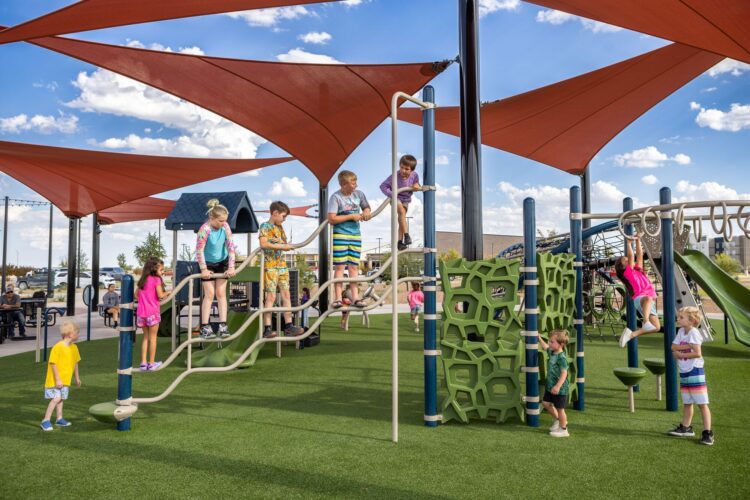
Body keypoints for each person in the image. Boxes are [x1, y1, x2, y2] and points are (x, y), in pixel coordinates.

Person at [258, 201, 304, 339]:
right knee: (270, 296)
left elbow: (284, 243)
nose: (284, 219)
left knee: (286, 295)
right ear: (275, 213)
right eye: (283, 216)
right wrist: (282, 246)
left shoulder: (280, 227)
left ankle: (289, 325)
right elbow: (263, 243)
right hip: (270, 266)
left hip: (282, 265)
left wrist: (285, 245)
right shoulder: (265, 226)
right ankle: (267, 328)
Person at [669, 306, 714, 445]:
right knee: (687, 402)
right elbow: (672, 347)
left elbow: (697, 353)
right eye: (679, 316)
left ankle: (708, 433)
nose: (678, 318)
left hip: (695, 370)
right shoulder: (681, 331)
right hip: (684, 371)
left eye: (681, 317)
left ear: (692, 320)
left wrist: (681, 354)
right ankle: (686, 427)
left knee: (702, 404)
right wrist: (687, 346)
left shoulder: (694, 332)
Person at [328, 170, 371, 309]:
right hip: (341, 234)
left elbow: (366, 207)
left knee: (354, 267)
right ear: (343, 184)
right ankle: (338, 298)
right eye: (353, 183)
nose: (356, 185)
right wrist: (351, 216)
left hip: (355, 234)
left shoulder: (359, 194)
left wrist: (366, 212)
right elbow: (332, 219)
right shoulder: (336, 197)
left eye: (355, 182)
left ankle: (356, 297)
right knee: (340, 266)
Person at [196, 199, 237, 340]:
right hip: (207, 263)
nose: (222, 223)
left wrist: (231, 266)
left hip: (222, 261)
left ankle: (223, 325)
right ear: (211, 218)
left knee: (220, 293)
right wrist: (203, 269)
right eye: (220, 221)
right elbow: (199, 250)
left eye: (224, 220)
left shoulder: (225, 227)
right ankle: (205, 327)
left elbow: (231, 247)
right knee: (210, 294)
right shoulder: (204, 229)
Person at [615, 233, 661, 347]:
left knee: (656, 327)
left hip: (648, 302)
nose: (628, 260)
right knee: (648, 299)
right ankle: (645, 322)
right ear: (623, 267)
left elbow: (639, 255)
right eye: (625, 261)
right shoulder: (627, 273)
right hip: (641, 298)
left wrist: (638, 239)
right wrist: (629, 243)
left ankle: (631, 334)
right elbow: (631, 257)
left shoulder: (638, 270)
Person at [40, 321, 81, 431]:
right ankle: (46, 420)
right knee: (57, 398)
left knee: (61, 398)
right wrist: (58, 379)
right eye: (77, 332)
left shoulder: (74, 348)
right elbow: (53, 363)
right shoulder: (58, 347)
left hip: (65, 380)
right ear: (70, 334)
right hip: (54, 380)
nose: (78, 334)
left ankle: (59, 418)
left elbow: (76, 363)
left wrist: (77, 378)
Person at [379, 154, 420, 250]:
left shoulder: (414, 175)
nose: (403, 171)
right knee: (401, 212)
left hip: (405, 200)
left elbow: (416, 184)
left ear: (412, 170)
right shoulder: (395, 176)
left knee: (402, 219)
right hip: (395, 198)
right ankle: (407, 235)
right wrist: (392, 194)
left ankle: (400, 242)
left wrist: (416, 185)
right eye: (401, 167)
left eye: (406, 169)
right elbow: (383, 186)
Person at [136, 257, 168, 371]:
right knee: (153, 338)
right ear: (154, 269)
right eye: (161, 270)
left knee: (145, 338)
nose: (162, 272)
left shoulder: (142, 280)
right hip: (152, 313)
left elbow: (136, 295)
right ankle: (152, 363)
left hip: (141, 314)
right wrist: (169, 292)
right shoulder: (156, 279)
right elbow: (160, 295)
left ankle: (143, 363)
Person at [538, 329, 570, 438]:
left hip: (560, 388)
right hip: (550, 386)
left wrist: (558, 386)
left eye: (552, 342)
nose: (549, 343)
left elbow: (564, 373)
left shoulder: (562, 357)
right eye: (550, 341)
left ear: (561, 344)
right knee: (546, 403)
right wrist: (539, 338)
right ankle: (558, 420)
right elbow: (545, 347)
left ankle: (564, 430)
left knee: (560, 409)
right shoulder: (552, 352)